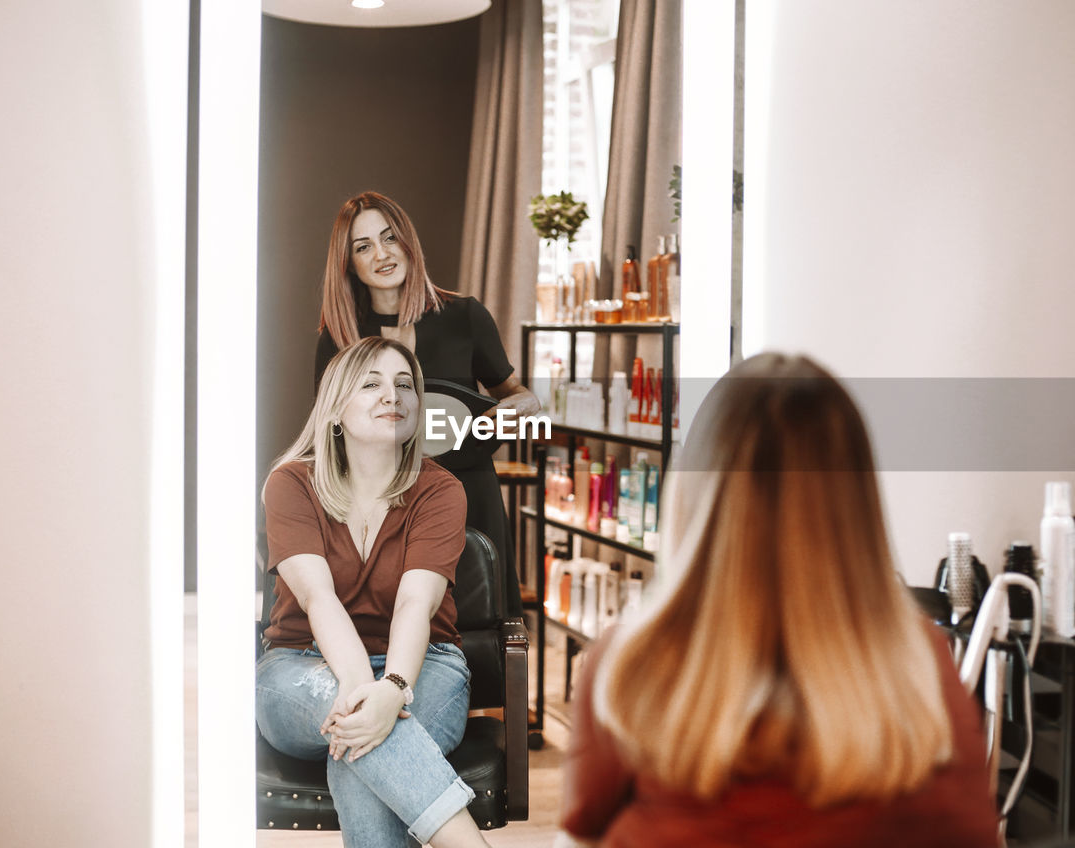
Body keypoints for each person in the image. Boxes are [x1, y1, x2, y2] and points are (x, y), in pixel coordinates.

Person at [558, 354, 1000, 847]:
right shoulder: (917, 665)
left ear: (693, 496)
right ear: (856, 508)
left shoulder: (631, 664)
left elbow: (579, 834)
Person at [257, 336, 491, 848]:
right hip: (302, 664)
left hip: (424, 662)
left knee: (357, 745)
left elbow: (416, 602)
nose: (394, 396)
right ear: (336, 408)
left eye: (405, 385)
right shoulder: (292, 484)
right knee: (364, 726)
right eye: (372, 384)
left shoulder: (440, 490)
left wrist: (394, 689)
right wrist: (367, 690)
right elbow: (318, 598)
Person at [314, 191, 539, 618]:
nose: (381, 254)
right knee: (396, 628)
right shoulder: (339, 335)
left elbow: (516, 392)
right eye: (364, 247)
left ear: (407, 242)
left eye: (390, 238)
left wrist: (522, 408)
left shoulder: (465, 316)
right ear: (349, 263)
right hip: (378, 502)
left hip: (469, 492)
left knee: (482, 625)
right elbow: (327, 432)